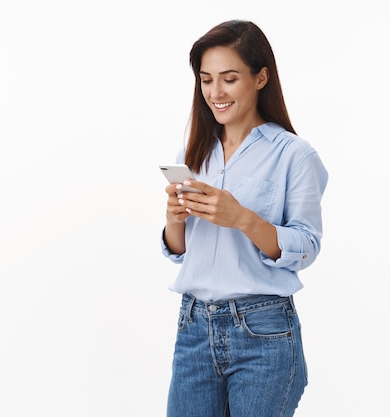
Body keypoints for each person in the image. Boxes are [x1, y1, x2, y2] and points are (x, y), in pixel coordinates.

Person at [161, 20, 328, 417]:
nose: (215, 93)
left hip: (263, 332)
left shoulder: (295, 155)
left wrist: (242, 218)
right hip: (194, 329)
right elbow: (180, 250)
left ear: (261, 77)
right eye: (206, 80)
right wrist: (174, 219)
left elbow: (306, 247)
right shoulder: (194, 152)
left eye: (229, 78)